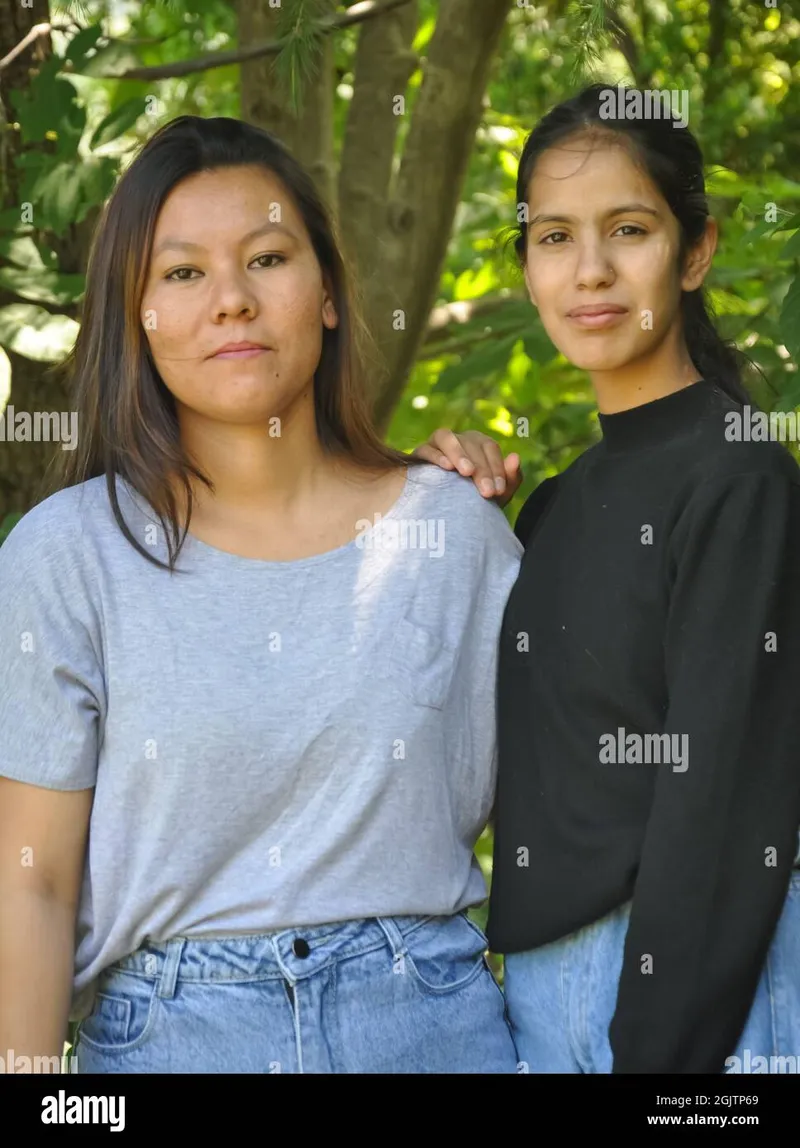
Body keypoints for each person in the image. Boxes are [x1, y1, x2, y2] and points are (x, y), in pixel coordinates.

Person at [0, 115, 523, 1074]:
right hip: (169, 1038)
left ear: (326, 291)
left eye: (269, 258)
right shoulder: (67, 556)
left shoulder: (454, 537)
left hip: (430, 1024)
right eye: (183, 272)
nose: (232, 301)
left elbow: (568, 825)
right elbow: (29, 886)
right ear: (136, 314)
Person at [414, 83, 800, 1074]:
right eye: (551, 236)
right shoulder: (553, 503)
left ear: (695, 250)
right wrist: (453, 522)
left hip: (694, 997)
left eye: (626, 229)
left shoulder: (739, 473)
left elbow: (719, 794)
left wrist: (652, 1049)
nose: (588, 271)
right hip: (543, 988)